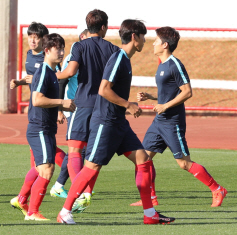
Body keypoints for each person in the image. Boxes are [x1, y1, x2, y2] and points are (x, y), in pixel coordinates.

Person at [57, 19, 175, 225]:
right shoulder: (118, 58)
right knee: (91, 167)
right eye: (143, 37)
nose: (145, 41)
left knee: (144, 161)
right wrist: (127, 104)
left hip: (118, 123)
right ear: (134, 37)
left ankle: (150, 214)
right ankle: (65, 212)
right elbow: (104, 89)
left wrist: (124, 109)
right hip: (105, 123)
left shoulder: (125, 59)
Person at [136, 27, 227, 207]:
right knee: (143, 158)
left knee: (184, 163)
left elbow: (187, 92)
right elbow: (169, 93)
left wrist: (165, 106)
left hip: (172, 122)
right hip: (159, 122)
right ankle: (151, 199)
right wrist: (151, 97)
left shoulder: (175, 64)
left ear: (164, 44)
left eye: (156, 41)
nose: (153, 43)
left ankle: (217, 189)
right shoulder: (161, 64)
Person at [56, 9, 120, 212]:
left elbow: (70, 72)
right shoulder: (113, 49)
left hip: (82, 104)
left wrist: (50, 74)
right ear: (103, 27)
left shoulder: (79, 46)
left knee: (75, 151)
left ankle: (80, 193)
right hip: (104, 106)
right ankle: (86, 193)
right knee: (92, 157)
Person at [10, 23, 67, 216]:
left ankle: (22, 200)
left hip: (47, 127)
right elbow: (37, 99)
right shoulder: (43, 71)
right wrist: (62, 104)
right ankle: (33, 212)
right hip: (39, 126)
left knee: (41, 166)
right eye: (57, 49)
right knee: (47, 169)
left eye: (62, 49)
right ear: (47, 50)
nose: (61, 52)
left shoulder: (51, 71)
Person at [50, 27, 90, 199]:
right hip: (73, 107)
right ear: (83, 37)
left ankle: (63, 185)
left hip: (85, 108)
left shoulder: (89, 56)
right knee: (76, 148)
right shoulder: (74, 55)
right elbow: (62, 81)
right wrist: (60, 110)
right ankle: (67, 187)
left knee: (81, 149)